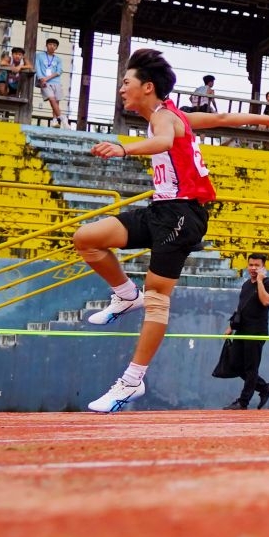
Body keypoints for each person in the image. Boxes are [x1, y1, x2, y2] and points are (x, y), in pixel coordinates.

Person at [75, 49, 217, 413]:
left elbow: (165, 141)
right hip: (161, 208)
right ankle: (125, 295)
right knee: (87, 239)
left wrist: (124, 148)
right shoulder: (174, 115)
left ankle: (131, 381)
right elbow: (225, 117)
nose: (122, 89)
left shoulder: (163, 118)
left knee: (157, 298)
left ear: (147, 87)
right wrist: (268, 121)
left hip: (183, 215)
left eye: (127, 82)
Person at [215, 252, 269, 409]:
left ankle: (243, 402)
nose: (253, 268)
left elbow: (265, 301)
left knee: (251, 368)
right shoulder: (246, 285)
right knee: (235, 364)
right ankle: (264, 387)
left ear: (263, 267)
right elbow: (241, 307)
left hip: (256, 332)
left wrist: (260, 281)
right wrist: (231, 326)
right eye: (251, 265)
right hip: (241, 330)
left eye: (257, 265)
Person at [35, 38, 64, 123]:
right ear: (46, 45)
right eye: (50, 44)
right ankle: (62, 118)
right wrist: (41, 79)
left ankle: (54, 120)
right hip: (44, 82)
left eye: (54, 45)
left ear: (56, 48)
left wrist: (47, 78)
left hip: (56, 82)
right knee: (52, 99)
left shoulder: (58, 59)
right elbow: (38, 68)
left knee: (56, 101)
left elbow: (59, 71)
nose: (52, 47)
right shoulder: (39, 55)